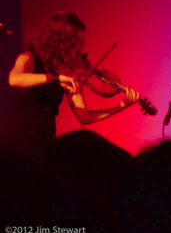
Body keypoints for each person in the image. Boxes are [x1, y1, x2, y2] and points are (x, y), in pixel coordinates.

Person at [0, 12, 140, 166]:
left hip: (44, 144)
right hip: (16, 142)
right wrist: (56, 78)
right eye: (77, 42)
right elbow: (15, 78)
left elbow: (84, 117)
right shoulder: (29, 57)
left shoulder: (65, 70)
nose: (79, 48)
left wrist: (121, 106)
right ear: (62, 40)